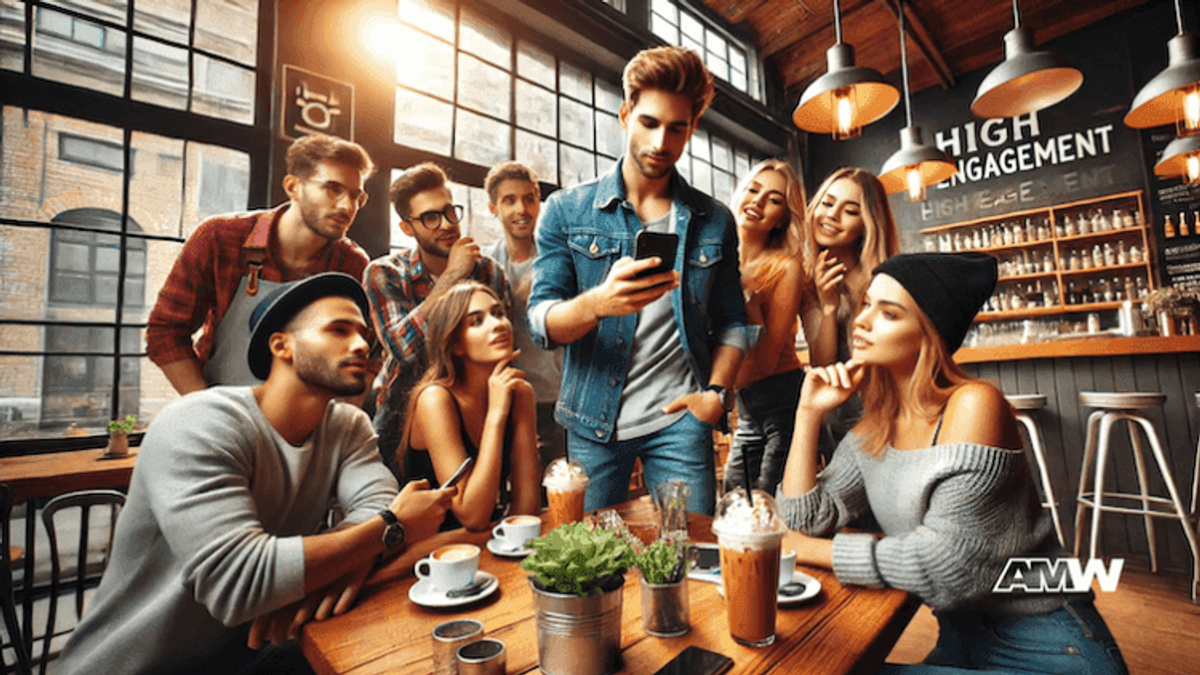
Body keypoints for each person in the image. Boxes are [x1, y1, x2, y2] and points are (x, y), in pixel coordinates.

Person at [58, 273, 455, 675]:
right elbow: (241, 581)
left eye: (363, 335)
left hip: (247, 648)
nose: (361, 346)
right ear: (281, 345)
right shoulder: (198, 422)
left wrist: (328, 570)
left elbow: (377, 503)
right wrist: (394, 528)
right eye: (338, 330)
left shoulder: (346, 425)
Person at [778, 253, 1129, 675]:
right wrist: (807, 414)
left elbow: (946, 565)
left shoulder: (974, 404)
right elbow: (805, 518)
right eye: (867, 303)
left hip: (1049, 646)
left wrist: (801, 550)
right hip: (960, 640)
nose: (863, 321)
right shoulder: (874, 428)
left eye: (888, 313)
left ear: (930, 334)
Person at [528, 45, 750, 515]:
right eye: (649, 123)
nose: (660, 143)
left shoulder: (714, 221)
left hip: (681, 421)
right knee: (589, 565)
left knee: (687, 558)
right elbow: (542, 321)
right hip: (592, 422)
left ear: (692, 128)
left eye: (678, 127)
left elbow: (734, 322)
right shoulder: (567, 211)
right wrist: (598, 303)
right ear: (625, 114)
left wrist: (716, 395)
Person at [146, 133, 376, 393]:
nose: (347, 206)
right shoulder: (219, 238)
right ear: (293, 187)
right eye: (333, 189)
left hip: (305, 416)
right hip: (222, 403)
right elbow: (165, 332)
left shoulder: (351, 264)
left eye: (357, 197)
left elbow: (361, 354)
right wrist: (208, 410)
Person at [365, 163, 512, 479]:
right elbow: (402, 349)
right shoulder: (385, 273)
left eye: (450, 211)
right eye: (431, 217)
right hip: (400, 416)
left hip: (475, 408)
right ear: (408, 228)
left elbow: (501, 349)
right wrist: (452, 276)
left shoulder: (489, 272)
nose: (447, 224)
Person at [400, 282, 541, 531]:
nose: (497, 324)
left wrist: (508, 542)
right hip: (431, 549)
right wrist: (496, 415)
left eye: (498, 313)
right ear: (456, 344)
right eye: (476, 321)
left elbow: (527, 505)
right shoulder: (435, 399)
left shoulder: (519, 393)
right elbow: (471, 515)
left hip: (486, 540)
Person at [800, 168, 901, 457]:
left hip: (890, 416)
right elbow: (822, 363)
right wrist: (828, 307)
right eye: (828, 203)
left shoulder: (886, 277)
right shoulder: (809, 282)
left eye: (851, 210)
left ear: (868, 224)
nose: (832, 215)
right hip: (840, 425)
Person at [721, 159, 807, 495]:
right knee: (732, 503)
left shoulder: (785, 267)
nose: (757, 201)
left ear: (782, 218)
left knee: (771, 506)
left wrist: (753, 311)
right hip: (747, 409)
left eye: (773, 200)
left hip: (783, 400)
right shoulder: (719, 260)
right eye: (753, 190)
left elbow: (768, 361)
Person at [481, 161, 566, 471]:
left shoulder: (559, 257)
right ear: (492, 208)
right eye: (509, 200)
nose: (522, 209)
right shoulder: (486, 264)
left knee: (560, 487)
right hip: (506, 396)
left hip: (559, 397)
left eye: (529, 198)